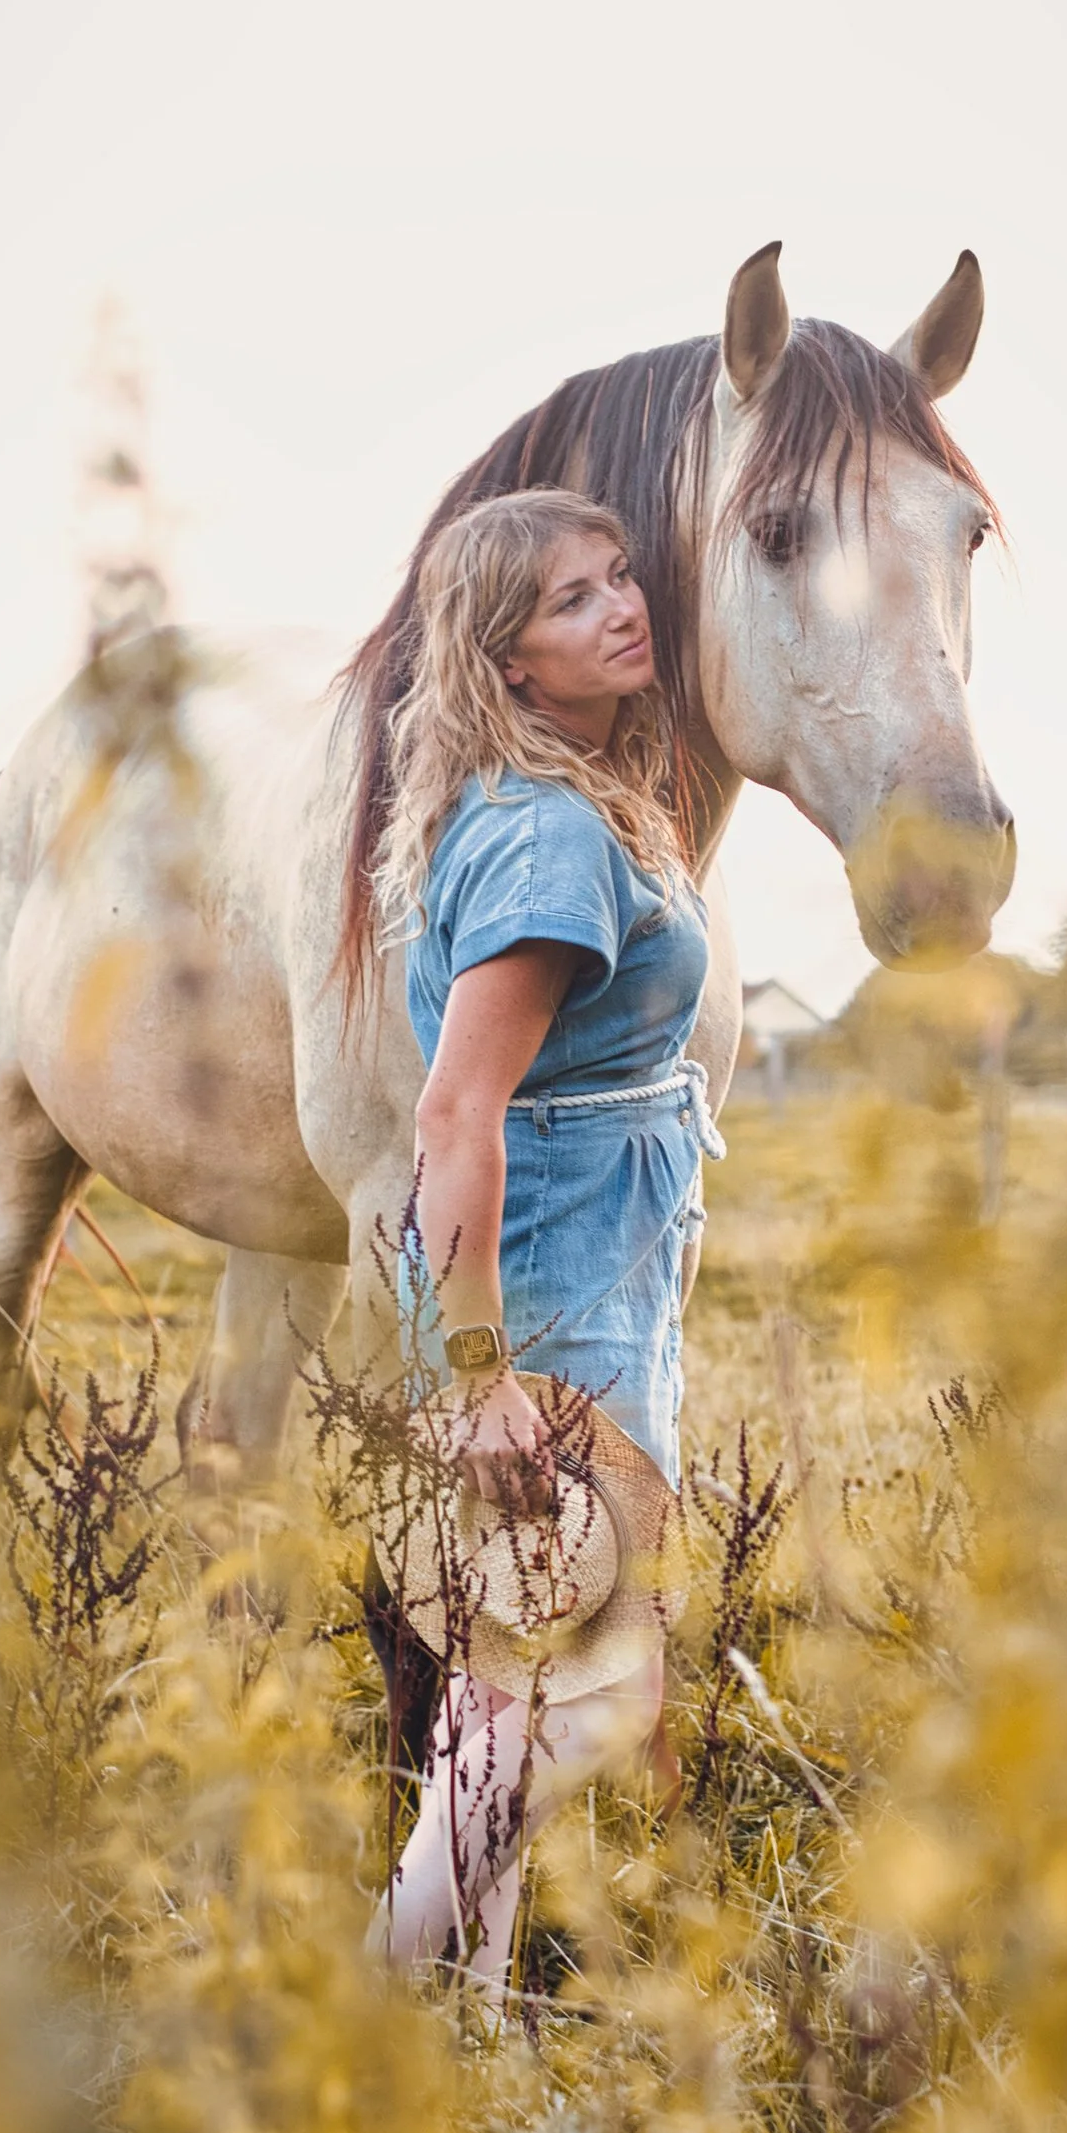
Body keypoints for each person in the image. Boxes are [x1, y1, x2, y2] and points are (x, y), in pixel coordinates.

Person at [350, 485, 720, 1993]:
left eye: (621, 578)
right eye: (574, 600)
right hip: (552, 1283)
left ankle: (476, 2027)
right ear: (507, 659)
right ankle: (374, 1998)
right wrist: (483, 1372)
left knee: (508, 1686)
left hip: (590, 1264)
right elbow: (454, 1117)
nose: (625, 607)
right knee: (577, 1690)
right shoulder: (551, 841)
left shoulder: (546, 803)